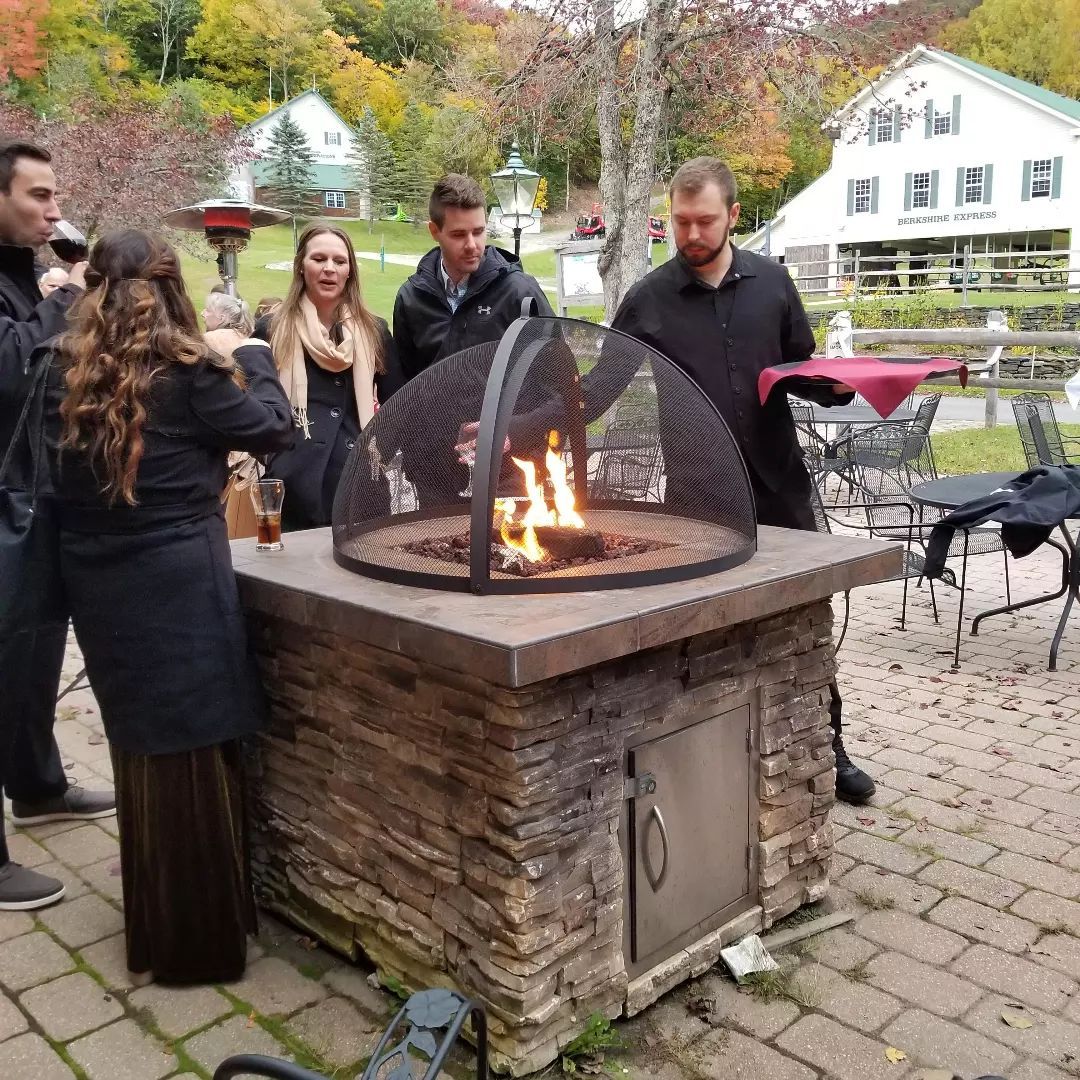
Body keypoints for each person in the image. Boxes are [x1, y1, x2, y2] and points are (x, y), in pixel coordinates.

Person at [36, 228, 294, 982]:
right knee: (191, 749)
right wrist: (248, 354)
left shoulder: (61, 370)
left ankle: (157, 927)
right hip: (179, 582)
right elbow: (275, 428)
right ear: (174, 288)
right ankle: (195, 945)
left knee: (143, 750)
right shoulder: (190, 373)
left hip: (99, 583)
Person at [585, 157, 874, 803]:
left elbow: (800, 368)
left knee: (804, 625)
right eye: (679, 221)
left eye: (703, 221)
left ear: (734, 216)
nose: (690, 233)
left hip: (778, 488)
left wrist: (839, 386)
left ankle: (831, 749)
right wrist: (521, 423)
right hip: (696, 501)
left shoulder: (773, 284)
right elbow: (598, 390)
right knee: (702, 632)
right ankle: (703, 766)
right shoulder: (647, 300)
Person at [0, 139, 116, 912]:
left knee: (36, 644)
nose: (54, 210)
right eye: (39, 195)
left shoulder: (20, 271)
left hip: (34, 493)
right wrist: (56, 300)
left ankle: (38, 784)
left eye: (55, 196)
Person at [392, 175, 554, 506]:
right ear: (434, 232)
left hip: (511, 470)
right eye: (458, 234)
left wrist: (518, 433)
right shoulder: (411, 299)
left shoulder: (520, 292)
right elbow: (407, 387)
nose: (472, 244)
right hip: (435, 473)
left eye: (478, 231)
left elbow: (554, 382)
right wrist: (416, 451)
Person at [257, 223, 402, 531]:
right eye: (319, 259)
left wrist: (377, 455)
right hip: (293, 486)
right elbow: (253, 407)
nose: (329, 269)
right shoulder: (271, 329)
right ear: (301, 266)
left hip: (359, 485)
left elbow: (397, 407)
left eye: (339, 261)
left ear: (350, 271)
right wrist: (277, 457)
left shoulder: (374, 331)